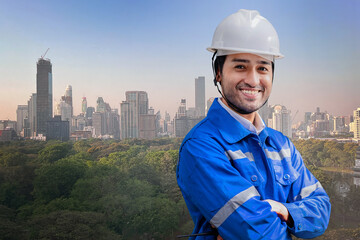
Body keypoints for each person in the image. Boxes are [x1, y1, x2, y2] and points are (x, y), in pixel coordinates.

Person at [176, 9, 331, 240]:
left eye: (262, 68)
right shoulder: (201, 147)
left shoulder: (281, 144)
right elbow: (257, 234)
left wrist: (286, 211)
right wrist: (291, 220)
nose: (253, 80)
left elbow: (321, 212)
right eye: (240, 67)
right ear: (218, 73)